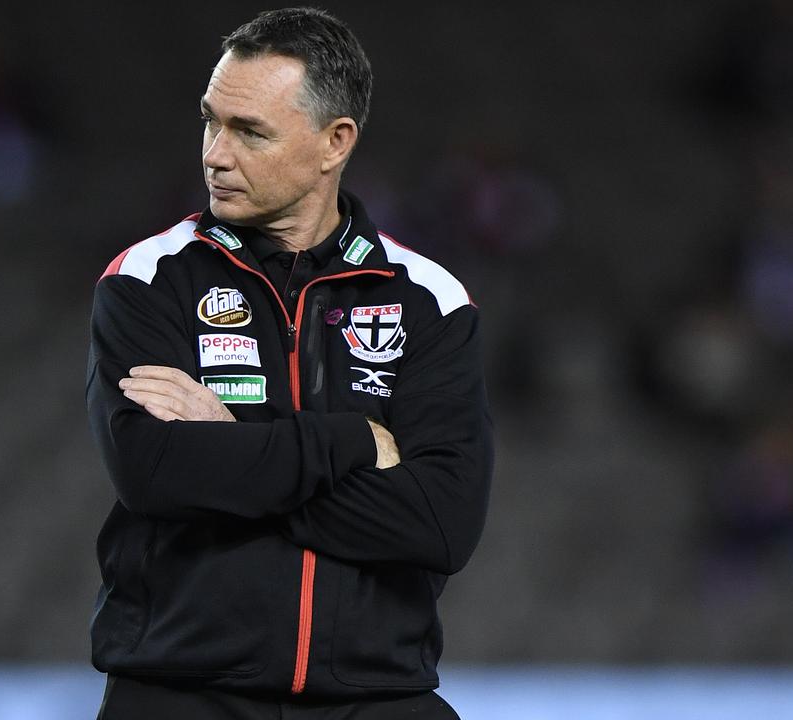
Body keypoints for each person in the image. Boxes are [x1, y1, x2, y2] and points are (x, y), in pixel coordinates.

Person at [85, 8, 492, 718]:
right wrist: (353, 441)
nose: (215, 153)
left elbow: (440, 523)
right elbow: (155, 473)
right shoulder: (146, 279)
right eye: (211, 121)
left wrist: (230, 442)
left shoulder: (430, 299)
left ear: (335, 142)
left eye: (249, 132)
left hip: (378, 698)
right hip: (181, 695)